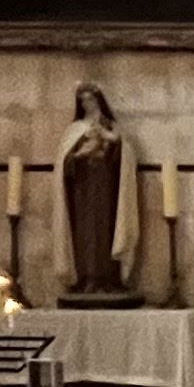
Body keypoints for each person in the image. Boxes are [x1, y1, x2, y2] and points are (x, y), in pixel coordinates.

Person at [54, 82, 140, 300]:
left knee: (107, 231)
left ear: (99, 100)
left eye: (90, 99)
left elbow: (123, 155)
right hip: (82, 192)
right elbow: (65, 163)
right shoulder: (74, 130)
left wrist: (108, 139)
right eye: (82, 101)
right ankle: (87, 278)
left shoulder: (111, 127)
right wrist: (79, 154)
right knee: (85, 235)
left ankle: (109, 279)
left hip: (106, 189)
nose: (87, 104)